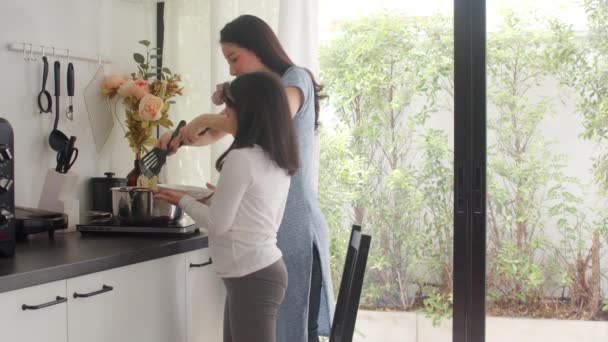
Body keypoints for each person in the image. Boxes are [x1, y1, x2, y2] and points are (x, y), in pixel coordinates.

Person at [159, 14, 334, 342]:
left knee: (288, 331)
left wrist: (211, 115)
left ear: (259, 48)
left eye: (234, 57)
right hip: (264, 233)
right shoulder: (251, 126)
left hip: (292, 227)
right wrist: (182, 137)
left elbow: (273, 114)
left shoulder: (294, 80)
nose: (232, 68)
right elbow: (230, 131)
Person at [155, 71, 298, 342]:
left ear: (248, 111)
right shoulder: (273, 154)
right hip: (257, 272)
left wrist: (181, 200)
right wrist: (214, 198)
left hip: (252, 277)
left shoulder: (242, 158)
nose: (225, 115)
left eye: (229, 108)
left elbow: (218, 225)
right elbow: (253, 208)